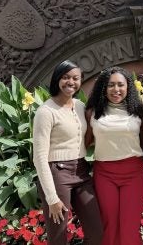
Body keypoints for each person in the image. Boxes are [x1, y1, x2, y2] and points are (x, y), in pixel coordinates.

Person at [33, 60, 103, 245]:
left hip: (81, 171)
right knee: (58, 237)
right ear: (57, 79)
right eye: (65, 77)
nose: (70, 82)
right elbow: (39, 157)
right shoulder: (45, 112)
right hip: (57, 174)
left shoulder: (80, 106)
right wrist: (51, 198)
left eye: (75, 78)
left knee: (97, 232)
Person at [85, 66, 143, 245]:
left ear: (128, 87)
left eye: (120, 85)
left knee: (129, 227)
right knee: (110, 226)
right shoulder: (92, 113)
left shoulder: (137, 111)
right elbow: (82, 145)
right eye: (111, 85)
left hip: (133, 174)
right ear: (103, 88)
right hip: (104, 174)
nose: (116, 90)